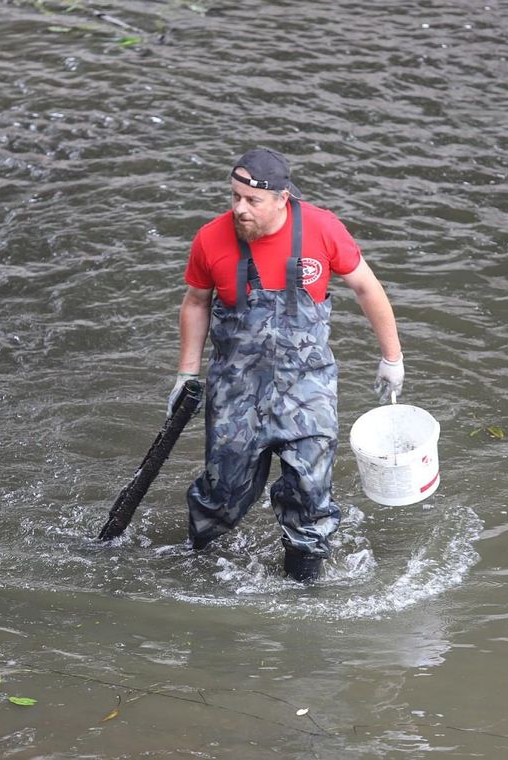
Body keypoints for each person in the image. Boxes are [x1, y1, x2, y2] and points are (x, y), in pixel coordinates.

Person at [168, 147, 404, 583]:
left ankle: (303, 585)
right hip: (235, 390)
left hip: (307, 387)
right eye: (234, 196)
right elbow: (197, 302)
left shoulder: (322, 229)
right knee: (222, 495)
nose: (239, 208)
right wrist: (187, 373)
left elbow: (367, 288)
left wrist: (392, 357)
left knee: (310, 493)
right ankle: (195, 571)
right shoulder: (210, 239)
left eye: (251, 200)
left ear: (282, 198)